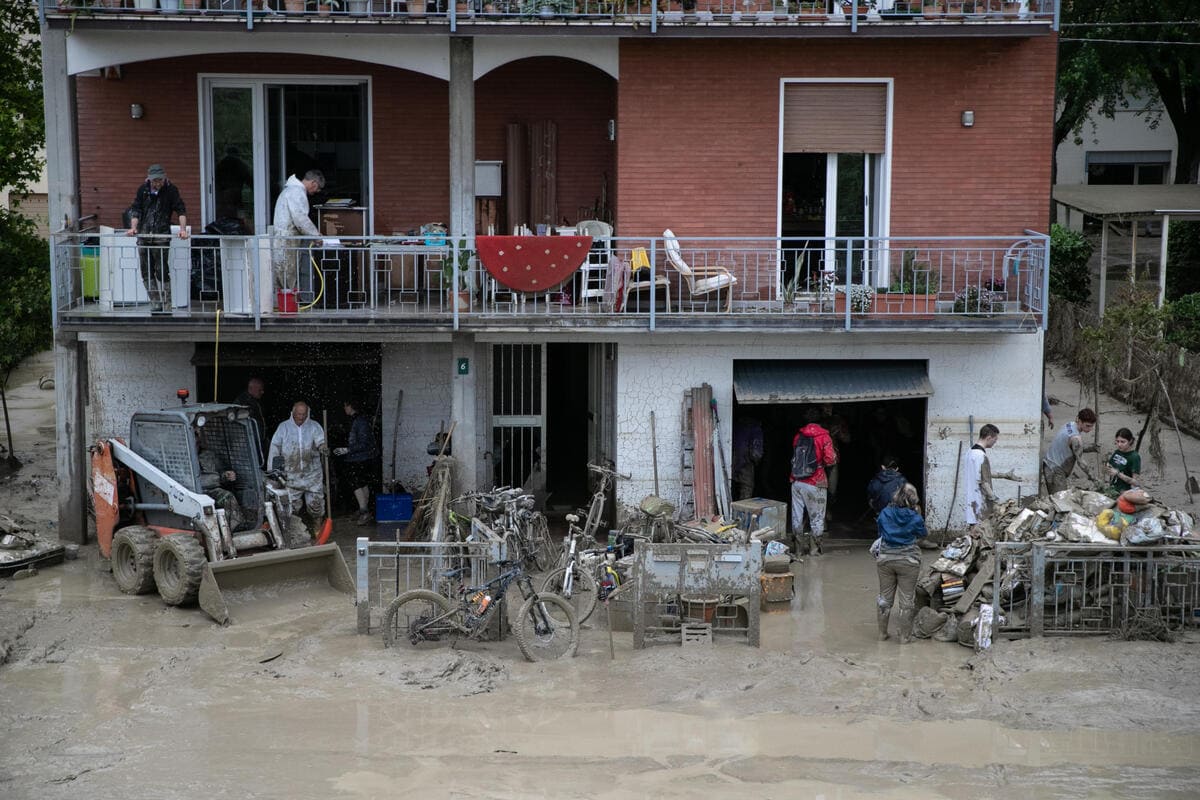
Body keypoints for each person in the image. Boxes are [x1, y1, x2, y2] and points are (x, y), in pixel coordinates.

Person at [127, 164, 189, 314]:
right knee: (146, 271)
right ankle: (155, 302)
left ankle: (167, 303)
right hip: (144, 236)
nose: (157, 183)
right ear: (149, 179)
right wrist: (133, 227)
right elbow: (136, 210)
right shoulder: (143, 190)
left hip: (161, 237)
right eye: (155, 180)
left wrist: (182, 230)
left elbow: (180, 209)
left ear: (164, 178)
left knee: (161, 270)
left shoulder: (171, 190)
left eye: (160, 180)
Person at [872, 483, 927, 643]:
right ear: (913, 499)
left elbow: (880, 530)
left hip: (885, 560)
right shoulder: (915, 517)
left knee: (884, 598)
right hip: (908, 561)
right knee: (907, 600)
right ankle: (904, 637)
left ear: (896, 497)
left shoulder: (885, 513)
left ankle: (882, 634)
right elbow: (923, 534)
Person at [268, 401, 328, 533]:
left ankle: (317, 531)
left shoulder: (314, 426)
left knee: (316, 505)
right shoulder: (283, 428)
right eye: (299, 414)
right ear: (293, 413)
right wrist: (273, 471)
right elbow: (274, 449)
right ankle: (294, 533)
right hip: (292, 475)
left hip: (312, 474)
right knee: (291, 507)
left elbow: (320, 441)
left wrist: (323, 447)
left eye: (304, 414)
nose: (301, 417)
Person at [789, 408, 838, 557]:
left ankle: (797, 550)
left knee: (797, 516)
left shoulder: (798, 436)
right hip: (815, 482)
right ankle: (814, 550)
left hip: (796, 481)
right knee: (816, 517)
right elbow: (830, 460)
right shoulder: (824, 436)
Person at [270, 169, 325, 294]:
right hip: (287, 240)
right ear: (314, 183)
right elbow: (300, 219)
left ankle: (285, 305)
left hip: (284, 238)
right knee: (288, 275)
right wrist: (315, 235)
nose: (316, 192)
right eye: (317, 189)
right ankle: (288, 307)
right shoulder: (297, 193)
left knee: (283, 275)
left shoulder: (290, 190)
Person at [334, 398, 377, 526]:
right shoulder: (357, 420)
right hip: (359, 458)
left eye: (345, 406)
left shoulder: (360, 421)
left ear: (351, 406)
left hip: (360, 458)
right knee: (362, 483)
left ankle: (364, 512)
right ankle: (363, 509)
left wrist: (347, 449)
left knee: (357, 484)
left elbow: (364, 443)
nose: (344, 408)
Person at [1042, 407, 1098, 494]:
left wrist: (1089, 448)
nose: (1090, 429)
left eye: (1091, 426)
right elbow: (1081, 463)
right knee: (1061, 501)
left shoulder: (1069, 424)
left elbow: (1070, 445)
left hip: (1048, 464)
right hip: (1055, 471)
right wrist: (1094, 478)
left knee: (1056, 498)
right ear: (1079, 421)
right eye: (1087, 426)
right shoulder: (1076, 438)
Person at [198, 445, 245, 533]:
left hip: (213, 490)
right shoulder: (183, 457)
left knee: (228, 496)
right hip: (194, 492)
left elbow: (220, 473)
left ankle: (233, 529)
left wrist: (226, 475)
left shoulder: (209, 455)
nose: (196, 439)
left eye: (196, 435)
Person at [965, 424, 999, 529]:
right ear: (989, 438)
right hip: (980, 502)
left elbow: (977, 475)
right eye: (995, 439)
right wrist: (994, 500)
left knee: (973, 531)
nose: (995, 442)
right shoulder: (981, 456)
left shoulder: (969, 452)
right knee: (981, 534)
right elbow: (983, 481)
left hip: (971, 501)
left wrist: (1005, 475)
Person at [731, 417, 764, 501]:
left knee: (731, 483)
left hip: (732, 458)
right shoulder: (755, 429)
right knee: (747, 486)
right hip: (746, 461)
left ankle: (731, 505)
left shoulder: (736, 426)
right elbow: (756, 452)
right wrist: (757, 462)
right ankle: (742, 510)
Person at [234, 377, 267, 455]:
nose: (262, 392)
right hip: (247, 443)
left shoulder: (255, 401)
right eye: (260, 389)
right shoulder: (242, 401)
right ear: (252, 388)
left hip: (256, 441)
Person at [1106, 427, 1142, 494]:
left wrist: (1118, 474)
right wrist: (1108, 467)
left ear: (1130, 441)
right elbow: (1110, 465)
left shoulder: (1134, 457)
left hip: (1125, 492)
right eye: (1117, 441)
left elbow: (1136, 482)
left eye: (1123, 442)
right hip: (1112, 489)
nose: (1119, 444)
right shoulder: (1117, 452)